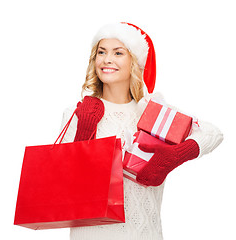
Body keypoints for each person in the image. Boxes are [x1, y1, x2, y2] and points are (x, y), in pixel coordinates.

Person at [60, 22, 223, 240]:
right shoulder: (78, 112)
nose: (107, 59)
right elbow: (66, 179)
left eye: (118, 53)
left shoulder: (152, 111)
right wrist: (84, 128)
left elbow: (212, 133)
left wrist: (176, 155)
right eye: (101, 52)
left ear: (135, 62)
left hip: (144, 233)